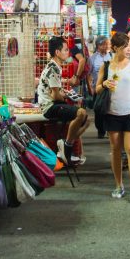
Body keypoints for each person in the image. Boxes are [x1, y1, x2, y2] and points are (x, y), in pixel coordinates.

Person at [96, 32, 130, 203]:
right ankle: (118, 185)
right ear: (116, 48)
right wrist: (104, 84)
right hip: (112, 113)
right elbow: (96, 89)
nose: (129, 49)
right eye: (125, 46)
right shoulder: (106, 66)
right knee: (116, 150)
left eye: (129, 46)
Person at [36, 36, 89, 166]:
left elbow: (56, 92)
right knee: (81, 113)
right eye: (65, 50)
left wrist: (63, 94)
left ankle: (66, 145)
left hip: (54, 104)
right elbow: (55, 97)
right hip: (50, 107)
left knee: (85, 118)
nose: (68, 53)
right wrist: (66, 96)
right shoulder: (53, 68)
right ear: (57, 52)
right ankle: (66, 147)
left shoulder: (56, 67)